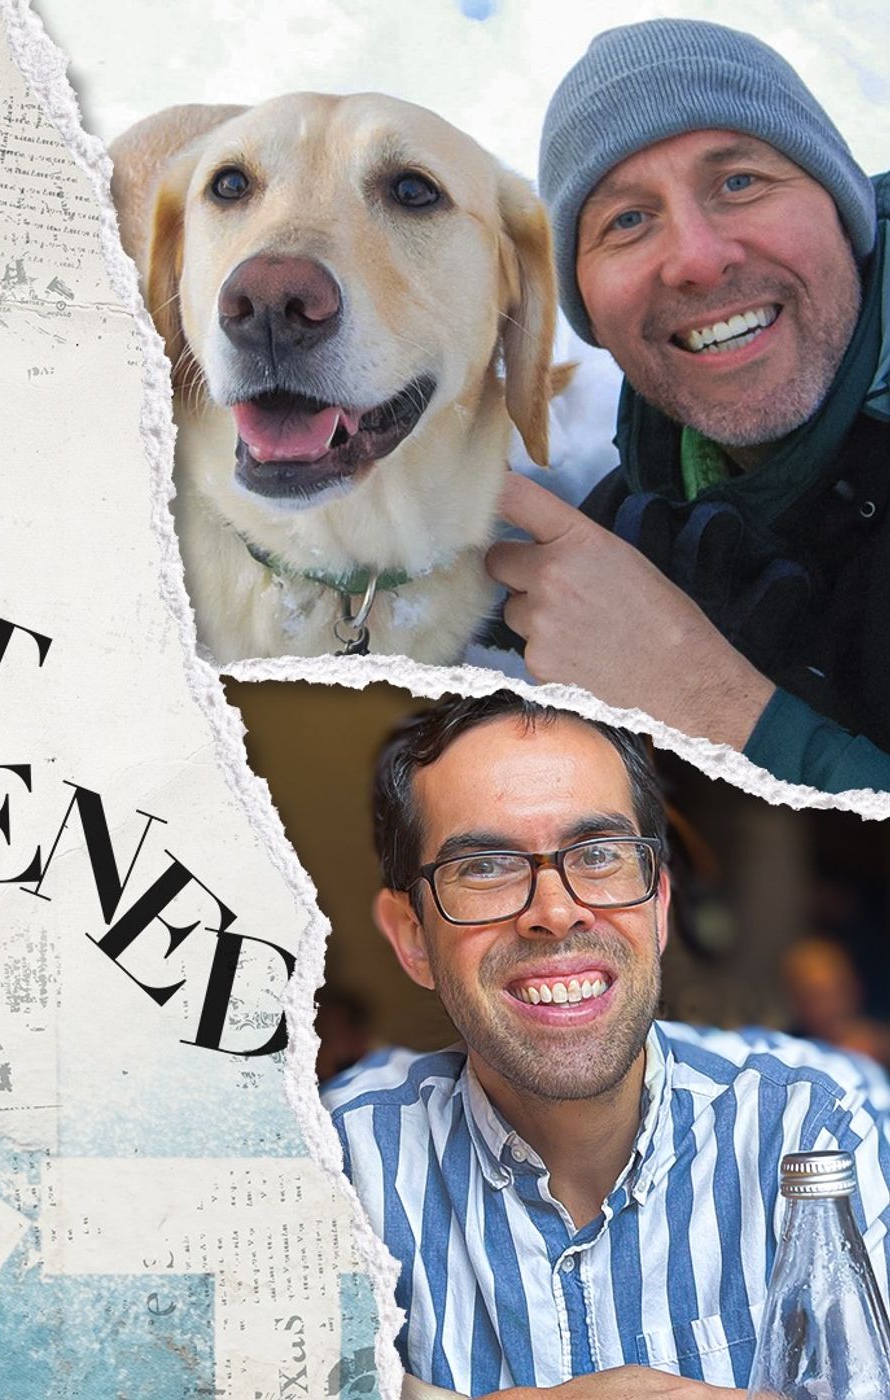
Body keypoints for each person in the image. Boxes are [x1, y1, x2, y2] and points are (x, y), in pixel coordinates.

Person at [323, 692, 890, 1396]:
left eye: (598, 855)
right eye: (487, 867)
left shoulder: (818, 1134)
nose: (556, 913)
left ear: (657, 905)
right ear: (413, 937)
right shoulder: (333, 1169)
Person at [484, 19, 890, 795]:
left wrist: (719, 709)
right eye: (626, 221)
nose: (700, 259)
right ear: (590, 316)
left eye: (739, 182)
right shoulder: (646, 513)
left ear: (844, 212)